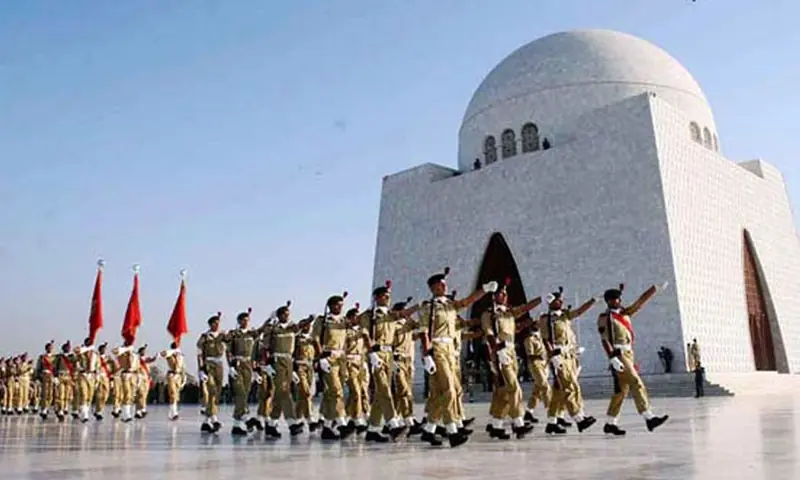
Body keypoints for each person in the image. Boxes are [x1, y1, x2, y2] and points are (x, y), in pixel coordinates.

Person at [418, 267, 496, 448]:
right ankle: (452, 431)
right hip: (437, 349)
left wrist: (483, 290)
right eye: (440, 285)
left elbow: (467, 302)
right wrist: (427, 354)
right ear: (433, 288)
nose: (444, 287)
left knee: (442, 392)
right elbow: (423, 332)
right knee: (449, 390)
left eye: (444, 284)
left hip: (451, 351)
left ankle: (429, 430)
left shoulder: (450, 305)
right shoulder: (427, 307)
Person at [597, 283, 670, 435]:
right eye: (616, 299)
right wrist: (612, 358)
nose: (619, 300)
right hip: (618, 355)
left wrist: (654, 289)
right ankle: (649, 417)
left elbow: (639, 303)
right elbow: (604, 339)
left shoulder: (624, 314)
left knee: (621, 392)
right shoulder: (605, 317)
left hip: (629, 354)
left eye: (619, 298)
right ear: (609, 301)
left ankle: (610, 423)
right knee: (636, 382)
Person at [358, 282, 421, 443]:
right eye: (385, 296)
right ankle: (393, 424)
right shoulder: (368, 316)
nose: (388, 299)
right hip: (376, 354)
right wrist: (372, 353)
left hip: (389, 355)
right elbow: (365, 334)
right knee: (384, 388)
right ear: (377, 298)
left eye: (389, 296)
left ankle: (372, 430)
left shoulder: (391, 315)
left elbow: (402, 314)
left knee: (381, 393)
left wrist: (417, 306)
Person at [481, 281, 541, 440]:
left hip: (511, 351)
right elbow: (489, 334)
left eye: (506, 294)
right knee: (514, 387)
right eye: (502, 293)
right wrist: (498, 351)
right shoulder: (488, 314)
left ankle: (496, 426)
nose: (505, 296)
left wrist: (539, 298)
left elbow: (523, 309)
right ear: (494, 296)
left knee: (504, 392)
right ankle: (519, 423)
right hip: (500, 352)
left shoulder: (508, 313)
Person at [540, 287, 598, 434]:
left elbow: (578, 312)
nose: (561, 302)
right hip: (558, 356)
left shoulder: (564, 316)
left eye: (561, 300)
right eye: (558, 300)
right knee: (570, 386)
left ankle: (552, 422)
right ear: (551, 302)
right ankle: (579, 419)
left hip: (569, 355)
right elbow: (546, 339)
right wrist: (553, 356)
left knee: (559, 391)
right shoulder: (546, 319)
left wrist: (592, 301)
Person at [312, 292, 355, 440]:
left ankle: (327, 427)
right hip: (328, 358)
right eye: (337, 305)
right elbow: (315, 339)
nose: (340, 307)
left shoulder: (343, 321)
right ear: (330, 306)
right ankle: (342, 424)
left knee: (332, 393)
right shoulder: (323, 320)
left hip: (341, 359)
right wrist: (321, 357)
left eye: (341, 305)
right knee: (336, 391)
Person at [225, 308, 268, 436]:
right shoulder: (234, 334)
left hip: (248, 365)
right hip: (237, 365)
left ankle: (236, 426)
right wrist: (230, 366)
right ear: (238, 321)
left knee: (246, 392)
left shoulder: (251, 334)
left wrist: (269, 320)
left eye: (247, 320)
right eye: (243, 320)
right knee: (241, 393)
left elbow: (261, 330)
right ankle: (246, 419)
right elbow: (228, 351)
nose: (245, 322)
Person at [196, 313, 227, 433]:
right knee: (212, 390)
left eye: (218, 323)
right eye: (215, 323)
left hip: (219, 364)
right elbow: (199, 353)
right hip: (209, 364)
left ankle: (206, 421)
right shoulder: (204, 337)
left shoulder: (221, 336)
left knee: (217, 392)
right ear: (210, 324)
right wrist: (201, 369)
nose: (217, 325)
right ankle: (214, 419)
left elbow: (231, 342)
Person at [160, 342, 185, 421]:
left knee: (176, 396)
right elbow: (162, 354)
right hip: (172, 375)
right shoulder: (170, 353)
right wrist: (171, 352)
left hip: (179, 375)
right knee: (172, 394)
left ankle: (172, 411)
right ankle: (174, 413)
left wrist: (184, 377)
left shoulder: (180, 354)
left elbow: (183, 366)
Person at [36, 341, 57, 420]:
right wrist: (38, 377)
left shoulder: (55, 357)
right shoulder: (42, 357)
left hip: (51, 376)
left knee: (50, 394)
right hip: (44, 375)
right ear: (46, 348)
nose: (50, 349)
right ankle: (43, 409)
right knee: (44, 393)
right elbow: (38, 367)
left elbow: (55, 368)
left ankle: (47, 407)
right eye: (49, 348)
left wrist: (56, 376)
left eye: (51, 348)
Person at [93, 343, 112, 421]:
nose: (104, 350)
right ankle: (98, 411)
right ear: (99, 350)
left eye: (104, 349)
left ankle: (99, 409)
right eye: (102, 349)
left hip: (106, 377)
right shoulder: (96, 357)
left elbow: (112, 367)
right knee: (99, 395)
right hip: (98, 376)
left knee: (105, 395)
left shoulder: (108, 358)